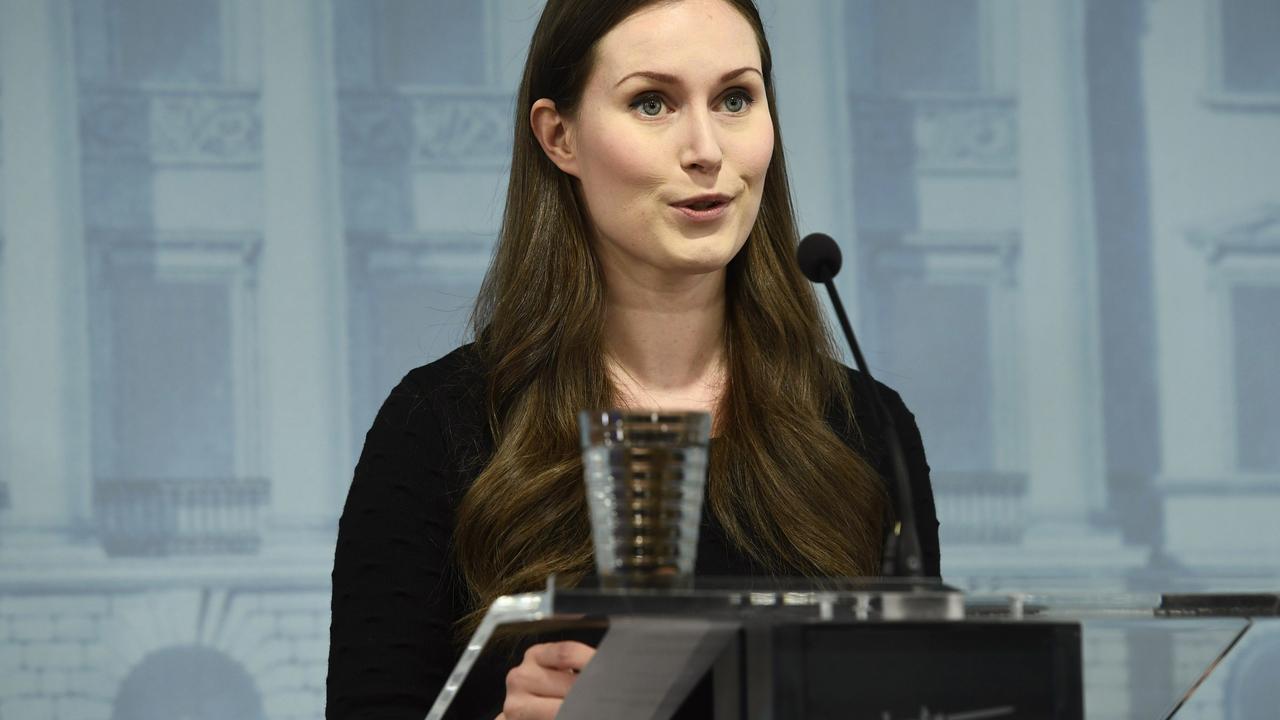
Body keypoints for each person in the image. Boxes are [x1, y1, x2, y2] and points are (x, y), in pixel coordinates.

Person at [326, 0, 941, 718]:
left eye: (736, 98)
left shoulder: (868, 429)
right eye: (653, 103)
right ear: (559, 137)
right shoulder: (438, 427)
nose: (706, 148)